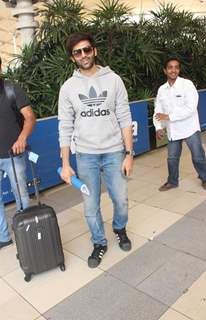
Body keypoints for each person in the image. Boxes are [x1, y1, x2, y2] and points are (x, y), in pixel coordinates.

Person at [58, 32, 133, 268]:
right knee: (91, 207)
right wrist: (66, 163)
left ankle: (119, 227)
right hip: (85, 156)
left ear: (95, 51)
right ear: (73, 58)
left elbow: (124, 117)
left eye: (87, 50)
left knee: (120, 199)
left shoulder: (114, 80)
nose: (83, 55)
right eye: (77, 52)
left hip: (113, 151)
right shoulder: (68, 88)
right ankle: (99, 242)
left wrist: (129, 154)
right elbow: (65, 126)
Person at [153, 57, 206, 191]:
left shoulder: (187, 85)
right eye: (170, 67)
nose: (173, 70)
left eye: (176, 67)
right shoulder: (162, 89)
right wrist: (158, 127)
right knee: (172, 158)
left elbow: (190, 108)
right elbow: (158, 110)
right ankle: (172, 182)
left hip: (189, 127)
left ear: (178, 70)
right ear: (165, 71)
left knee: (197, 156)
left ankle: (205, 178)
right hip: (173, 131)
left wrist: (168, 116)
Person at [0, 56, 36, 249]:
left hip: (14, 155)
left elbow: (29, 117)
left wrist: (22, 138)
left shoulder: (12, 89)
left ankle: (25, 230)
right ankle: (3, 237)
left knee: (21, 194)